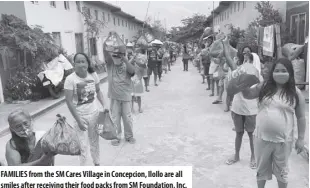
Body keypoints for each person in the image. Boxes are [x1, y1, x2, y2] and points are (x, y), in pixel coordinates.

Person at [241, 58, 306, 188]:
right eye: (277, 70)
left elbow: (301, 118)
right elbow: (248, 95)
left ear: (290, 73)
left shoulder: (296, 93)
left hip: (283, 141)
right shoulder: (264, 87)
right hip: (262, 138)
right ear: (272, 73)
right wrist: (243, 84)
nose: (280, 73)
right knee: (261, 170)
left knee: (282, 172)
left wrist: (301, 139)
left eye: (284, 71)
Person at [223, 39, 259, 169]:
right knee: (239, 133)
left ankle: (253, 157)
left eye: (248, 53)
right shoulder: (237, 70)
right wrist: (224, 43)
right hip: (237, 108)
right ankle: (236, 155)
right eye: (243, 53)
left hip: (251, 110)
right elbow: (227, 57)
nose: (245, 55)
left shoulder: (257, 72)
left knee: (251, 134)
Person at [64, 52, 106, 166]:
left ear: (87, 63)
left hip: (94, 114)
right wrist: (78, 120)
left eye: (83, 61)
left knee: (94, 142)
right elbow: (68, 101)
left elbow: (98, 91)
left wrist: (104, 105)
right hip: (80, 116)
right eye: (78, 62)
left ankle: (97, 164)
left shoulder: (93, 75)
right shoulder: (70, 79)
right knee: (82, 146)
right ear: (74, 64)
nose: (81, 64)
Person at [103, 39, 136, 146]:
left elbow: (132, 72)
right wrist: (110, 39)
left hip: (126, 97)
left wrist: (126, 60)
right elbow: (105, 51)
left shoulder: (127, 64)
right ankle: (117, 137)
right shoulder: (110, 65)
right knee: (115, 118)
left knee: (127, 118)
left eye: (119, 55)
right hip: (114, 97)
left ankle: (129, 136)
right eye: (115, 55)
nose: (117, 57)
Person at [131, 48, 147, 113]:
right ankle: (133, 108)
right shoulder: (132, 63)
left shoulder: (142, 65)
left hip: (137, 80)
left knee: (137, 96)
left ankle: (139, 108)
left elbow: (144, 72)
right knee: (132, 96)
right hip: (132, 79)